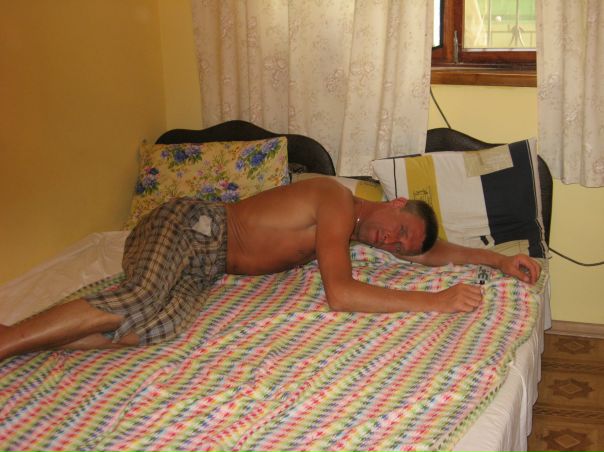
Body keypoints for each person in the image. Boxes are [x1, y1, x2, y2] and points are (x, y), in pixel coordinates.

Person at [0, 178, 541, 361]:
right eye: (398, 229)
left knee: (155, 328)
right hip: (191, 225)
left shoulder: (360, 230)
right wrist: (435, 302)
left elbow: (432, 252)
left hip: (205, 265)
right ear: (395, 203)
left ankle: (27, 340)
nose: (392, 243)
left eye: (400, 248)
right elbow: (341, 294)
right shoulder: (336, 200)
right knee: (140, 298)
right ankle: (6, 340)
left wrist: (498, 260)